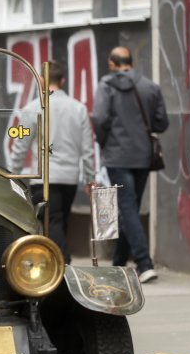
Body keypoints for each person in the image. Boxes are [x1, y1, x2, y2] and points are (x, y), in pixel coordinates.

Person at [92, 46, 168, 283]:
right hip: (143, 156)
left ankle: (144, 263)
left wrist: (105, 144)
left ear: (112, 64)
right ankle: (119, 262)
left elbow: (100, 118)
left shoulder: (106, 85)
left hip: (117, 156)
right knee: (130, 207)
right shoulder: (150, 86)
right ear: (130, 62)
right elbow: (161, 123)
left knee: (128, 208)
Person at [10, 61, 94, 264]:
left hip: (43, 177)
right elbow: (88, 148)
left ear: (41, 80)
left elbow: (20, 143)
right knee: (60, 221)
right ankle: (55, 263)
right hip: (70, 178)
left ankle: (62, 262)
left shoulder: (31, 108)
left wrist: (14, 175)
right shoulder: (79, 109)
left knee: (51, 222)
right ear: (63, 80)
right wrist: (90, 178)